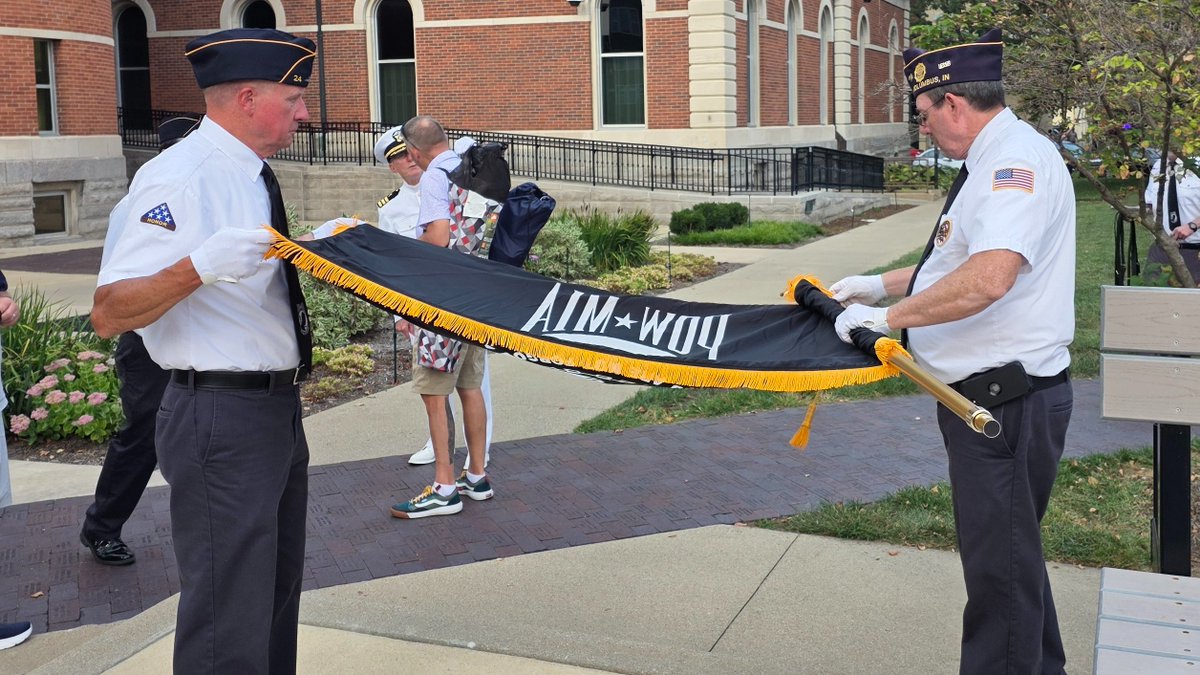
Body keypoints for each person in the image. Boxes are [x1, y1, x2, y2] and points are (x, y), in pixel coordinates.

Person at [831, 29, 1075, 674]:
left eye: (924, 115)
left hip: (1004, 403)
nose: (925, 131)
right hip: (991, 398)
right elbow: (953, 266)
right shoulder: (995, 161)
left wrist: (883, 318)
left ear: (953, 105)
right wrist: (872, 285)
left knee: (1000, 577)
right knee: (1009, 561)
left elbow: (989, 278)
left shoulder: (1010, 165)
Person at [91, 28, 316, 673]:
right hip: (221, 413)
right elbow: (110, 312)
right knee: (227, 613)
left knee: (272, 592)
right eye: (295, 97)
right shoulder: (182, 177)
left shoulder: (247, 173)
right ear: (247, 97)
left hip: (270, 410)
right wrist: (199, 266)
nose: (304, 112)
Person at [79, 115, 200, 567]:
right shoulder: (142, 202)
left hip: (189, 332)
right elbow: (121, 284)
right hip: (145, 334)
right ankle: (102, 527)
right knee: (144, 433)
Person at [389, 115, 493, 518]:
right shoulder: (472, 165)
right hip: (475, 296)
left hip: (440, 299)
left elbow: (437, 238)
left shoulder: (435, 176)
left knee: (434, 392)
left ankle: (444, 486)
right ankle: (477, 477)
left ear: (414, 151)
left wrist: (409, 247)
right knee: (470, 387)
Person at [1142, 150, 1200, 286]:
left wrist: (1193, 225)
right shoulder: (1157, 167)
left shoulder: (1196, 165)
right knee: (1152, 302)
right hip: (1162, 251)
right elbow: (1151, 203)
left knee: (1193, 306)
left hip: (1196, 252)